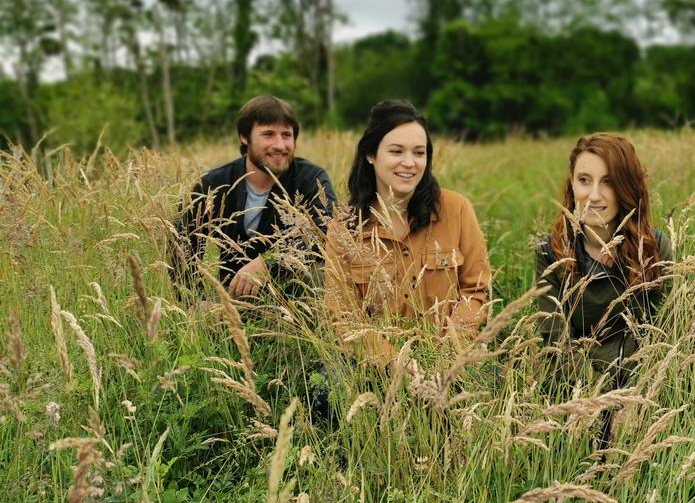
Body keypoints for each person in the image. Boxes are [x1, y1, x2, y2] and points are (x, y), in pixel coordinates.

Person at [325, 100, 491, 368]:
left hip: (450, 363)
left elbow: (476, 289)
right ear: (371, 154)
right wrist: (398, 363)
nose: (409, 163)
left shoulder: (456, 209)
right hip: (375, 368)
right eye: (396, 151)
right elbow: (343, 316)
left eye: (419, 152)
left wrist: (449, 352)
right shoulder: (345, 227)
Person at [534, 133, 672, 386]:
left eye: (608, 182)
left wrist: (634, 396)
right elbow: (556, 343)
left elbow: (666, 334)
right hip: (575, 386)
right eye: (584, 180)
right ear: (572, 185)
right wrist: (599, 397)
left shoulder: (654, 248)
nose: (594, 195)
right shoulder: (550, 252)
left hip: (642, 382)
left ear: (626, 188)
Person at [171, 95, 335, 298]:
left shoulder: (311, 179)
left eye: (286, 135)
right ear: (244, 137)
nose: (280, 145)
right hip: (235, 297)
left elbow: (326, 229)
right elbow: (180, 244)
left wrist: (269, 261)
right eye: (268, 134)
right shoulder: (214, 183)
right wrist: (195, 302)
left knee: (319, 274)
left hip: (292, 296)